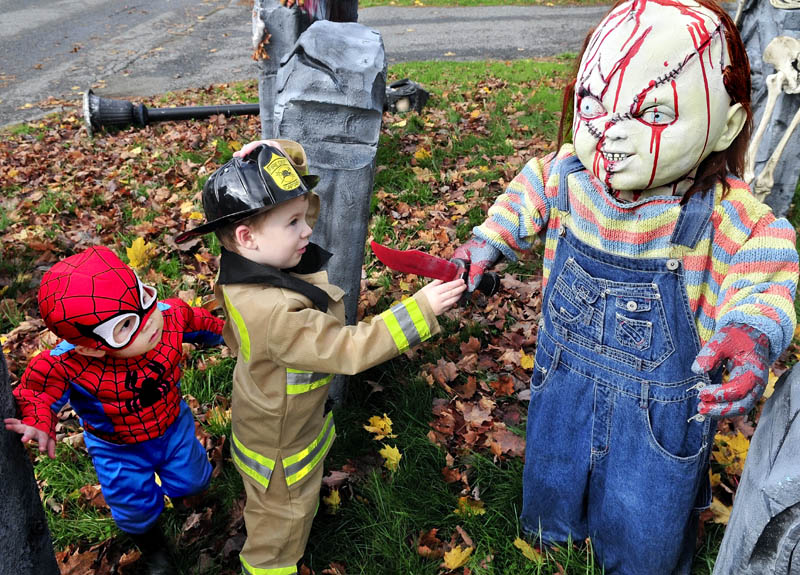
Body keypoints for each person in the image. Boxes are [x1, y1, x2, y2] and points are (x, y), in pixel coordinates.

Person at [452, 1, 799, 573]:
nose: (612, 134)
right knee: (554, 476)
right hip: (565, 385)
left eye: (655, 113)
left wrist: (750, 332)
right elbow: (525, 195)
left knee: (645, 521)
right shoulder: (568, 177)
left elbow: (766, 268)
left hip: (659, 420)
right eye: (594, 105)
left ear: (729, 123)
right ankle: (553, 538)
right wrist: (484, 244)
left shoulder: (724, 215)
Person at [174, 140, 465, 575]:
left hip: (274, 418)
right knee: (280, 529)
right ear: (247, 236)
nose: (308, 229)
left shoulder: (240, 264)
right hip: (282, 451)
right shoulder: (275, 313)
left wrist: (280, 154)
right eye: (293, 222)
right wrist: (419, 310)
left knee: (288, 502)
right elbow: (349, 348)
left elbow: (297, 203)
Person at [4, 246, 225, 574]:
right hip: (116, 446)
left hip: (172, 425)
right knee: (132, 504)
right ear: (87, 347)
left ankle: (186, 499)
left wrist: (230, 335)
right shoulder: (68, 363)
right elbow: (37, 389)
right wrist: (38, 421)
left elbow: (199, 320)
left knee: (192, 478)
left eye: (143, 297)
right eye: (125, 325)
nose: (148, 321)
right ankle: (155, 550)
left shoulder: (168, 315)